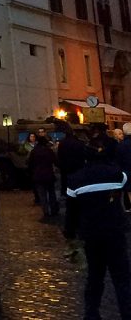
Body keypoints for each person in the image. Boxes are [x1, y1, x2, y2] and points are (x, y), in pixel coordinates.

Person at [64, 133, 131, 320]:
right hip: (115, 232)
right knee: (121, 278)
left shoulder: (75, 179)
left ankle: (91, 313)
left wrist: (69, 234)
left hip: (91, 234)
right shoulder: (117, 175)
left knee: (95, 277)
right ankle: (127, 312)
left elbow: (71, 213)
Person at [28, 134, 59, 218]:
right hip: (49, 175)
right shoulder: (49, 151)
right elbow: (56, 162)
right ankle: (53, 210)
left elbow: (30, 163)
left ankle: (45, 211)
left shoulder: (34, 151)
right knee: (52, 193)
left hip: (38, 175)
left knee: (42, 195)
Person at [57, 126, 86, 201]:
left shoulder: (62, 143)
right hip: (77, 165)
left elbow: (59, 155)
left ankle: (65, 193)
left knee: (65, 181)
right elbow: (83, 154)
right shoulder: (79, 143)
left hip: (65, 166)